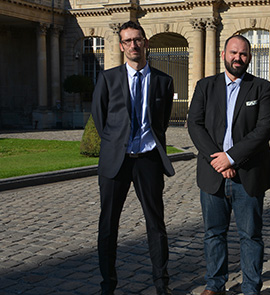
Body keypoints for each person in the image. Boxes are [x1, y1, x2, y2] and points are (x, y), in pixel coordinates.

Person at [187, 34, 270, 295]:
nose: (238, 58)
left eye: (244, 54)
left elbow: (264, 129)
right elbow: (195, 124)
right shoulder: (205, 86)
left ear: (249, 57)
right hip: (213, 173)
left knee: (250, 236)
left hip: (248, 174)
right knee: (213, 234)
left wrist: (232, 157)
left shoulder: (262, 88)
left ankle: (251, 287)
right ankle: (215, 285)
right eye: (233, 53)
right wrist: (219, 159)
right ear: (224, 54)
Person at [92, 21, 175, 295]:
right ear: (120, 46)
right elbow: (100, 118)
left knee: (156, 223)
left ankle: (161, 284)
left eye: (137, 40)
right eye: (127, 41)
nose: (133, 45)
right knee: (108, 224)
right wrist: (118, 142)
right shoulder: (108, 78)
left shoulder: (163, 81)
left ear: (145, 43)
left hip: (148, 159)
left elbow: (160, 122)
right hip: (117, 159)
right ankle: (107, 284)